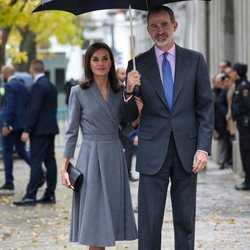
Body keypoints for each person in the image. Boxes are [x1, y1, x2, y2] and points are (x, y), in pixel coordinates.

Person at [125, 6, 213, 250]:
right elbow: (129, 118)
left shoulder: (195, 60)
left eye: (164, 24)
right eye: (153, 26)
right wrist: (129, 90)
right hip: (152, 150)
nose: (159, 30)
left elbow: (205, 106)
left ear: (175, 26)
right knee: (149, 220)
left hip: (187, 151)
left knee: (185, 220)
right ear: (147, 29)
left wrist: (203, 149)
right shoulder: (136, 65)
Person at [60, 42, 141, 249]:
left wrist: (136, 116)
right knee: (95, 222)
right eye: (95, 59)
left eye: (105, 58)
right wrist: (64, 167)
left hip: (114, 156)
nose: (101, 63)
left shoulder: (119, 91)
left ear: (111, 62)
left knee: (108, 220)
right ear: (88, 62)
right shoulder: (78, 92)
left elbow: (124, 128)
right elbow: (71, 132)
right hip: (90, 159)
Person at [13, 59, 59, 206]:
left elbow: (34, 110)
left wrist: (27, 129)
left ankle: (30, 195)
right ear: (43, 69)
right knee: (50, 161)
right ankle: (50, 194)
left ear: (32, 70)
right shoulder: (51, 85)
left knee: (36, 161)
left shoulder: (38, 86)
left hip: (39, 131)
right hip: (50, 128)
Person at [0, 64, 31, 194]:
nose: (2, 75)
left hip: (11, 125)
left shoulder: (9, 86)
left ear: (7, 72)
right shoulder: (22, 85)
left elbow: (10, 106)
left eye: (2, 73)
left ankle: (9, 182)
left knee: (7, 151)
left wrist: (7, 124)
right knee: (21, 150)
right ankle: (40, 171)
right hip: (21, 125)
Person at [230, 63, 250, 191]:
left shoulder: (244, 87)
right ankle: (247, 179)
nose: (230, 74)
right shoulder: (238, 86)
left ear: (236, 73)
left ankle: (248, 181)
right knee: (244, 152)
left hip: (246, 125)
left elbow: (248, 106)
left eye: (232, 71)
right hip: (242, 124)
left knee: (247, 151)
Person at [117, 67, 138, 181]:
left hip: (125, 126)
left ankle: (127, 174)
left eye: (125, 73)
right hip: (117, 126)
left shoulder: (125, 88)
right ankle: (125, 174)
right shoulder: (117, 89)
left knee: (129, 148)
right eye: (122, 73)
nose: (124, 75)